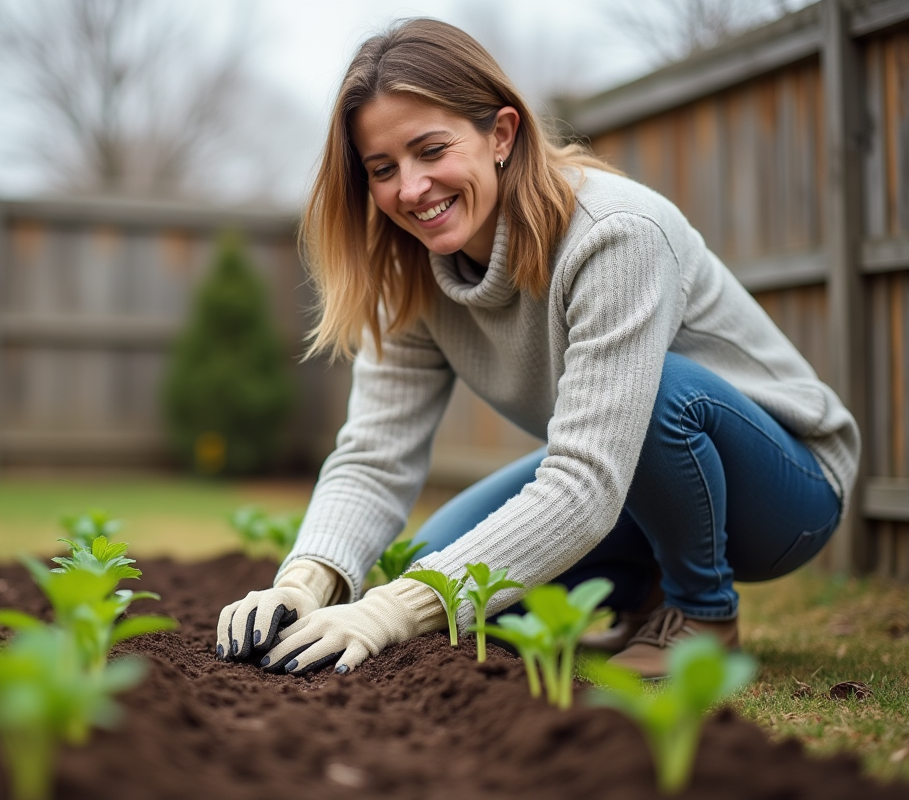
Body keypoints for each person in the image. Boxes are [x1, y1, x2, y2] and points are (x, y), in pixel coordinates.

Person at [215, 18, 859, 680]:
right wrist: (305, 581)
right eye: (383, 169)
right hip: (634, 491)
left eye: (431, 150)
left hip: (787, 489)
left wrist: (390, 613)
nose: (410, 189)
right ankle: (643, 595)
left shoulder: (615, 235)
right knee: (431, 571)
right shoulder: (409, 275)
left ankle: (702, 610)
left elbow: (584, 480)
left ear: (501, 134)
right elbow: (373, 457)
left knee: (657, 392)